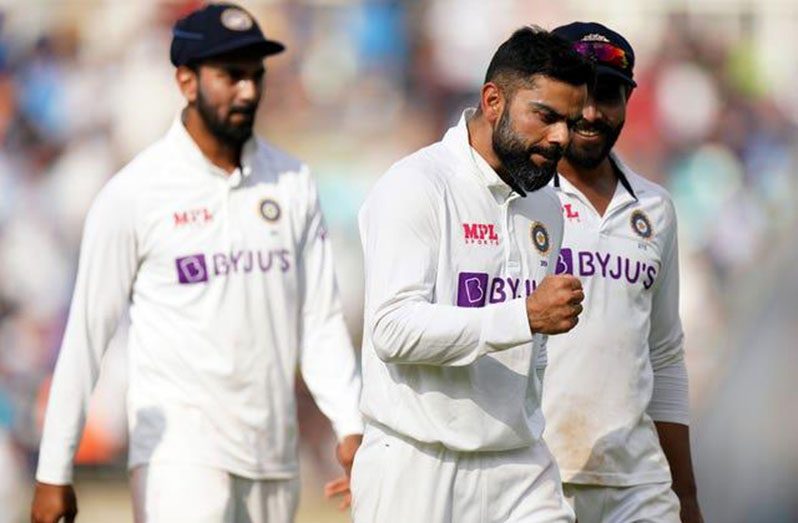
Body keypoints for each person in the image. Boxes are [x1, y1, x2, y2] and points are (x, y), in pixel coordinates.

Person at [30, 4, 363, 522]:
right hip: (178, 459)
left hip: (273, 459)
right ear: (186, 80)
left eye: (256, 76)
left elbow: (318, 323)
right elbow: (86, 338)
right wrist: (54, 471)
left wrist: (350, 426)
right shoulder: (135, 194)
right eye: (230, 76)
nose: (248, 91)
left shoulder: (292, 181)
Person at [352, 27, 591, 523]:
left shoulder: (547, 206)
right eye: (544, 116)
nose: (560, 138)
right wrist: (522, 315)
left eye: (568, 122)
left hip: (519, 465)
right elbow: (391, 330)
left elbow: (534, 356)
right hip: (418, 464)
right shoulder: (416, 185)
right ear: (493, 100)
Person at [541, 22, 703, 523]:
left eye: (608, 94)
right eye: (579, 94)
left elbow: (665, 355)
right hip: (537, 476)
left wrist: (688, 497)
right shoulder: (519, 200)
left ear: (629, 100)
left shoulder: (655, 208)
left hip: (639, 484)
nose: (591, 113)